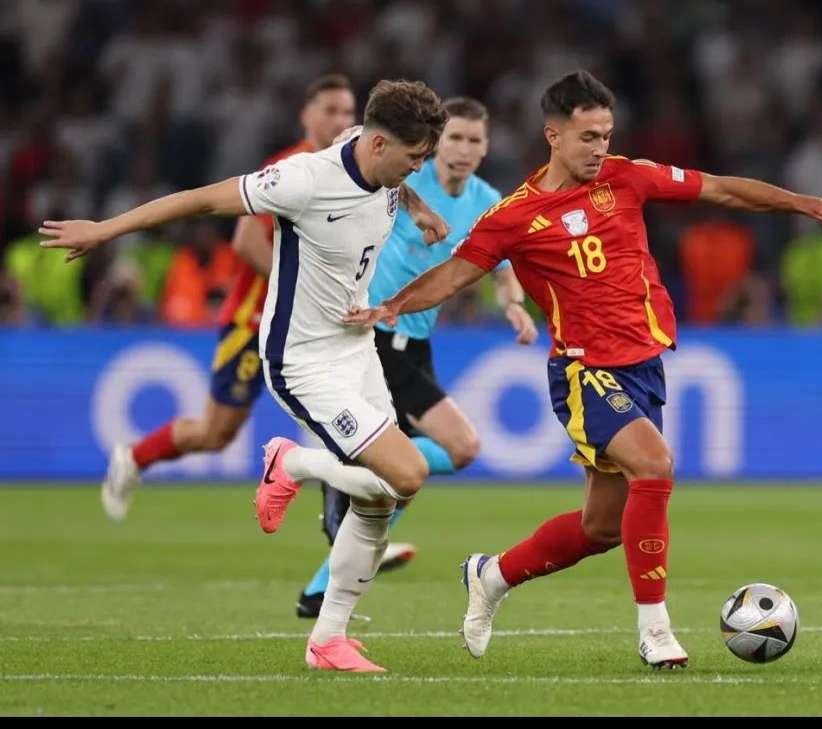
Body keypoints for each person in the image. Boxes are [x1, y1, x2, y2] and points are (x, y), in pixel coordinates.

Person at [347, 70, 822, 669]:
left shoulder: (626, 177)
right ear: (553, 135)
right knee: (655, 464)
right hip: (584, 370)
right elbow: (453, 275)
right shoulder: (515, 216)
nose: (600, 147)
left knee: (601, 527)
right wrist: (391, 305)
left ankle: (492, 575)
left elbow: (720, 190)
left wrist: (808, 204)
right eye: (587, 137)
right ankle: (656, 629)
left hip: (644, 366)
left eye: (605, 135)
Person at [40, 79, 451, 674]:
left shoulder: (375, 150)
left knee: (383, 499)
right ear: (381, 144)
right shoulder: (304, 180)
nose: (418, 168)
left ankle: (328, 641)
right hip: (303, 360)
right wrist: (105, 230)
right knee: (408, 471)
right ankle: (293, 462)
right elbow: (201, 201)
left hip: (356, 347)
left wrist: (418, 206)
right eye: (414, 158)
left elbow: (388, 171)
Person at [295, 96, 539, 618]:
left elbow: (502, 269)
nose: (463, 150)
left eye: (474, 141)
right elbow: (351, 142)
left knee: (400, 481)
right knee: (459, 447)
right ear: (435, 143)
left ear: (485, 148)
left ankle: (319, 590)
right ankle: (341, 467)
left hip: (418, 344)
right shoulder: (405, 173)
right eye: (455, 138)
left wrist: (514, 305)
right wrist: (412, 202)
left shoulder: (486, 199)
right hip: (378, 337)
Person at [99, 73, 356, 521]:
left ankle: (348, 530)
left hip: (306, 324)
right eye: (330, 110)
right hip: (253, 320)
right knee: (216, 433)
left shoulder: (348, 172)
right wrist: (305, 289)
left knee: (341, 414)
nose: (340, 120)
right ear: (306, 116)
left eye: (348, 112)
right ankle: (134, 456)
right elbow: (246, 241)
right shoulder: (290, 166)